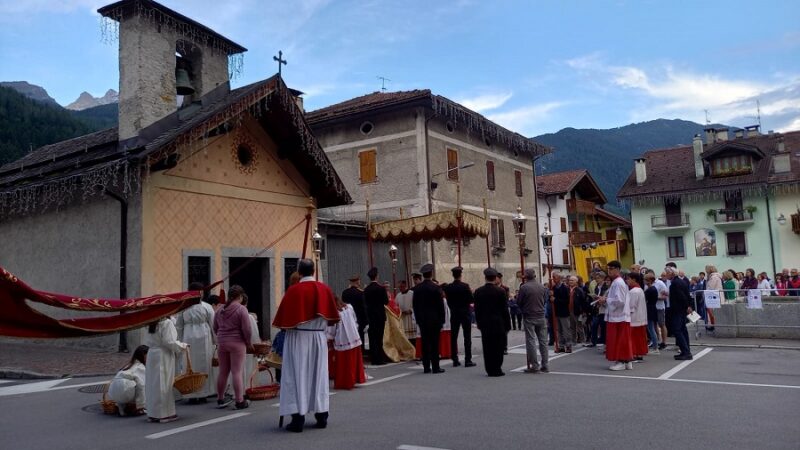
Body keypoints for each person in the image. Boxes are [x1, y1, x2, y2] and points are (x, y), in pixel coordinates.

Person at [273, 259, 340, 433]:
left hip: (298, 339)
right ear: (314, 270)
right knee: (318, 377)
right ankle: (321, 416)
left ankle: (298, 419)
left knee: (297, 377)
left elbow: (284, 322)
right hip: (318, 338)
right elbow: (332, 319)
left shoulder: (293, 291)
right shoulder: (324, 289)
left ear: (299, 272)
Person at [213, 285, 253, 410]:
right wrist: (248, 342)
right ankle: (239, 400)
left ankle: (220, 398)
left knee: (223, 372)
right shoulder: (241, 309)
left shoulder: (220, 310)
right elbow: (247, 329)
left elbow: (215, 327)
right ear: (240, 296)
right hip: (237, 343)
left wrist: (222, 337)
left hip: (222, 343)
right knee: (236, 372)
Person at [175, 282, 216, 403]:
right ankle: (196, 393)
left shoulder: (189, 307)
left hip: (190, 335)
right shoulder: (204, 307)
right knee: (193, 364)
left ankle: (200, 393)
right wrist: (215, 340)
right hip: (202, 335)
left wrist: (180, 340)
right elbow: (213, 325)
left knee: (194, 364)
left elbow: (179, 326)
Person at [145, 316, 188, 423]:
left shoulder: (150, 321)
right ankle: (164, 414)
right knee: (164, 383)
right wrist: (183, 346)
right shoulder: (166, 322)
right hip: (163, 354)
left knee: (152, 384)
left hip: (152, 354)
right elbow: (169, 341)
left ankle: (153, 413)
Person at [474, 267, 511, 377]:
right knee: (498, 346)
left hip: (485, 323)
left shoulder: (478, 291)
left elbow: (477, 309)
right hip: (498, 322)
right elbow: (504, 310)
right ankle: (497, 368)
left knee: (487, 346)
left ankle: (489, 369)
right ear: (495, 278)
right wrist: (508, 324)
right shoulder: (500, 291)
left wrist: (479, 323)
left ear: (485, 278)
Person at [412, 264, 446, 374]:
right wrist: (442, 320)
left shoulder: (417, 289)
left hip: (422, 320)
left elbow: (415, 306)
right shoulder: (436, 288)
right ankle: (436, 366)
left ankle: (426, 367)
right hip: (435, 320)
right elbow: (441, 306)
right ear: (431, 274)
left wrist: (417, 319)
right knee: (435, 343)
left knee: (425, 343)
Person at [599, 260, 633, 371]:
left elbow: (620, 301)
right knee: (622, 339)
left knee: (619, 340)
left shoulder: (618, 283)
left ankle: (621, 361)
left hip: (619, 316)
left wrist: (606, 300)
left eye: (611, 268)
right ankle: (627, 361)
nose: (609, 271)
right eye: (608, 268)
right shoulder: (617, 282)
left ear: (618, 269)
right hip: (619, 316)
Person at [326, 296, 366, 390]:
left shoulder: (334, 312)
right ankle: (356, 379)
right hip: (354, 336)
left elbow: (332, 329)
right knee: (353, 361)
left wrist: (328, 337)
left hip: (342, 339)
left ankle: (345, 382)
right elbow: (355, 320)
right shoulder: (349, 307)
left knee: (345, 363)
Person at [516, 268, 549, 374]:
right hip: (540, 315)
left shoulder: (524, 287)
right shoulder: (542, 286)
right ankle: (545, 364)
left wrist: (524, 308)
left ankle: (535, 365)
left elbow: (519, 301)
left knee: (531, 341)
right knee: (543, 341)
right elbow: (544, 300)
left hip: (529, 316)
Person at [443, 266, 475, 367]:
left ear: (453, 275)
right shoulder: (465, 286)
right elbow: (471, 300)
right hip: (465, 313)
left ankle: (455, 359)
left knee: (454, 337)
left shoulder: (448, 287)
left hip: (454, 313)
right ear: (461, 275)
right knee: (467, 337)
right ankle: (468, 359)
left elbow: (448, 300)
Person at [107, 345, 148, 416]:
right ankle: (137, 408)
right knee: (140, 384)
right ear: (143, 356)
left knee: (128, 383)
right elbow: (141, 385)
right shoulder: (140, 367)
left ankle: (121, 407)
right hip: (125, 390)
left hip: (112, 392)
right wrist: (141, 405)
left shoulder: (128, 365)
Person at [665, 266, 693, 360]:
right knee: (682, 329)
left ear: (672, 273)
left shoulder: (675, 283)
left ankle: (685, 351)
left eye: (667, 273)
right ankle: (686, 350)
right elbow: (686, 295)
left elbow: (681, 297)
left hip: (678, 309)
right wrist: (688, 306)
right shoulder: (681, 281)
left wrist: (686, 306)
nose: (666, 274)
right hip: (682, 309)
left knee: (677, 330)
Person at [363, 267, 388, 366]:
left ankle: (374, 358)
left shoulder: (366, 289)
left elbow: (365, 303)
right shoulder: (381, 288)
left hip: (370, 316)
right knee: (379, 338)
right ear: (377, 276)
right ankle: (380, 358)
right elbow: (386, 301)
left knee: (372, 337)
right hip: (380, 316)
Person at [341, 275, 369, 353]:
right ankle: (361, 351)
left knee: (350, 334)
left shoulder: (345, 292)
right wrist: (366, 320)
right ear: (357, 281)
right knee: (360, 335)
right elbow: (364, 307)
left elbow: (343, 305)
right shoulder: (360, 292)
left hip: (348, 318)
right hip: (359, 318)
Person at [627, 272, 648, 361]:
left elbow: (631, 305)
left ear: (634, 279)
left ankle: (635, 353)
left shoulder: (633, 291)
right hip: (640, 316)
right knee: (640, 337)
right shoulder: (640, 290)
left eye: (628, 279)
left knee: (634, 338)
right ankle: (639, 353)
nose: (627, 281)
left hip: (634, 317)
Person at [552, 273, 573, 353]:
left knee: (566, 329)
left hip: (564, 312)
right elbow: (551, 299)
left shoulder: (565, 288)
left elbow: (566, 301)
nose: (553, 279)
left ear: (559, 278)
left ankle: (568, 345)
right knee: (559, 330)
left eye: (555, 277)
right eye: (553, 277)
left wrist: (555, 300)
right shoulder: (553, 287)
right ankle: (560, 345)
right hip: (557, 312)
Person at [643, 273, 660, 354]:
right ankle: (655, 346)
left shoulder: (650, 290)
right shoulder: (653, 289)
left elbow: (644, 299)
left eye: (645, 280)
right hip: (653, 308)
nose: (644, 281)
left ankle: (655, 347)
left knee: (651, 328)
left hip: (649, 309)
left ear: (649, 281)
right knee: (652, 328)